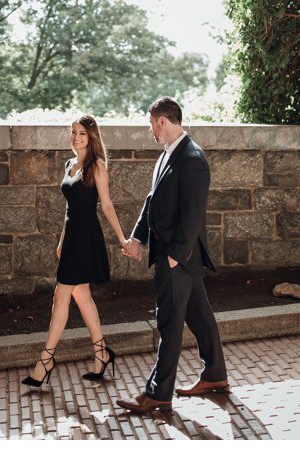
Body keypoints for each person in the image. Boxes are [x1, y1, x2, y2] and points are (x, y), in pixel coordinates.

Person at [117, 97, 228, 414]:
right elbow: (153, 201)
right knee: (199, 316)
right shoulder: (169, 154)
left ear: (162, 121)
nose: (150, 129)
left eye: (151, 123)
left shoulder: (192, 158)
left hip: (179, 254)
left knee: (168, 321)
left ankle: (158, 393)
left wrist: (175, 257)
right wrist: (138, 237)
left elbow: (193, 215)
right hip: (175, 254)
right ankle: (215, 375)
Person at [22, 114, 129, 389]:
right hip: (71, 239)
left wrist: (122, 239)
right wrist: (61, 240)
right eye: (73, 132)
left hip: (86, 238)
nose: (76, 137)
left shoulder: (97, 166)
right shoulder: (69, 164)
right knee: (82, 296)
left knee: (61, 296)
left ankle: (45, 361)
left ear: (91, 136)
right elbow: (70, 210)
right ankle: (102, 353)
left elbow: (106, 206)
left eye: (81, 133)